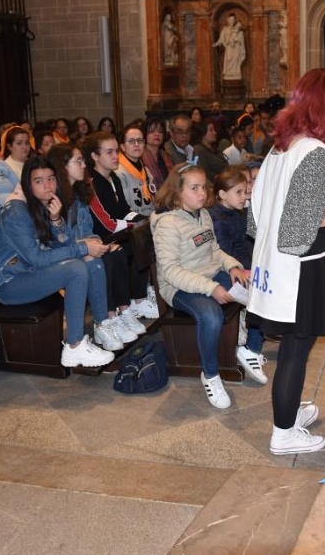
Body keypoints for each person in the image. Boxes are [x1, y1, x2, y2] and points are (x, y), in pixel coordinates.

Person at [247, 68, 325, 455]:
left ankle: (286, 414)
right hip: (299, 269)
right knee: (296, 348)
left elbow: (255, 217)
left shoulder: (281, 148)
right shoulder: (316, 155)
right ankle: (283, 433)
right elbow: (302, 223)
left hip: (274, 263)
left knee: (293, 347)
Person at [0, 156, 115, 369]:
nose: (47, 185)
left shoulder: (44, 205)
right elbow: (37, 257)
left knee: (91, 262)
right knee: (76, 268)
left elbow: (59, 246)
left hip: (30, 272)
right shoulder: (17, 211)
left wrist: (56, 221)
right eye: (39, 181)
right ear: (28, 184)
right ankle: (74, 346)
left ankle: (104, 326)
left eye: (51, 179)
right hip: (8, 283)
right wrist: (82, 248)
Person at [151, 162, 250, 408]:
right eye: (194, 188)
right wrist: (210, 288)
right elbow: (171, 271)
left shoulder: (203, 214)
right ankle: (211, 374)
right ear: (177, 192)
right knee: (211, 314)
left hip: (208, 273)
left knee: (251, 286)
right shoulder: (167, 224)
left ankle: (245, 348)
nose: (202, 193)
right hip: (178, 286)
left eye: (203, 187)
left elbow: (214, 251)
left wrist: (232, 267)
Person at [48, 144, 145, 349]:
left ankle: (121, 312)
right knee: (100, 260)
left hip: (81, 247)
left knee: (115, 253)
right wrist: (89, 245)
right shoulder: (54, 198)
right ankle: (105, 322)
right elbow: (59, 239)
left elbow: (88, 229)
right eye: (78, 161)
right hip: (62, 253)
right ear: (63, 167)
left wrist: (99, 243)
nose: (84, 165)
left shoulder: (79, 192)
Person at [82, 132, 159, 320]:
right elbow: (105, 223)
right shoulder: (92, 183)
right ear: (94, 156)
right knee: (135, 241)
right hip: (100, 236)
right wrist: (136, 225)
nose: (116, 156)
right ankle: (132, 302)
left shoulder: (113, 178)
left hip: (117, 230)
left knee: (147, 233)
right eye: (109, 152)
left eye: (116, 151)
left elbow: (124, 210)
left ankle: (140, 297)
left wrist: (145, 219)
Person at [208, 167, 266, 384]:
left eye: (245, 191)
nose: (245, 197)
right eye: (239, 192)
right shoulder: (217, 218)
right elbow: (226, 253)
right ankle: (250, 349)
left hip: (244, 267)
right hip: (227, 273)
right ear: (223, 194)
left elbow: (250, 242)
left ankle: (252, 345)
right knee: (262, 293)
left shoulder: (237, 213)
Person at [117, 123, 154, 217]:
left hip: (147, 221)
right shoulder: (118, 172)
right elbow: (124, 208)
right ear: (122, 147)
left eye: (140, 140)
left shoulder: (145, 170)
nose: (137, 144)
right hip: (132, 226)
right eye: (131, 141)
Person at [142, 117, 173, 191]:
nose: (157, 134)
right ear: (145, 134)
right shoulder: (140, 156)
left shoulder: (165, 155)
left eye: (160, 132)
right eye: (152, 132)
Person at [193, 118, 229, 183]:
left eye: (214, 130)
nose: (215, 132)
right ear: (203, 133)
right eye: (211, 130)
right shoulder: (198, 150)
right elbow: (203, 173)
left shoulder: (213, 148)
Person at [213, 13, 246, 81]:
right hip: (229, 48)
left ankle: (236, 74)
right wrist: (216, 43)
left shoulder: (238, 31)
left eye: (233, 20)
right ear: (228, 21)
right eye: (230, 20)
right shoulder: (225, 29)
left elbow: (240, 39)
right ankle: (228, 74)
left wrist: (237, 38)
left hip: (236, 49)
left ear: (234, 21)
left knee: (236, 61)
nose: (231, 21)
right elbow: (221, 39)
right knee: (228, 60)